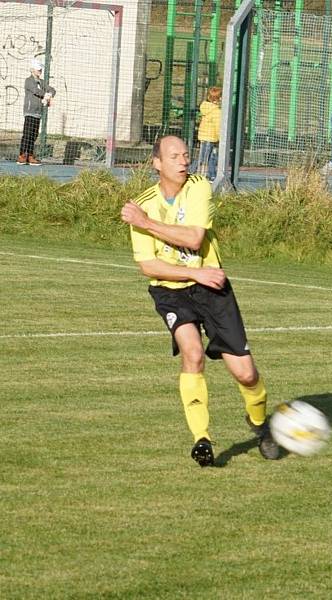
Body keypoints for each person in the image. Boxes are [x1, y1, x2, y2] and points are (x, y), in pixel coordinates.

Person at [120, 135, 278, 467]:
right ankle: (201, 439)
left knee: (246, 375)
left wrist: (146, 223)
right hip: (171, 291)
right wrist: (194, 274)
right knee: (192, 353)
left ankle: (261, 425)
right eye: (174, 156)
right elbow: (148, 266)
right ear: (157, 163)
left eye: (186, 155)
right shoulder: (143, 203)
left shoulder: (199, 187)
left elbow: (194, 237)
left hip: (213, 288)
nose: (183, 161)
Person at [18, 59, 55, 166]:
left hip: (38, 112)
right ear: (32, 70)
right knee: (27, 134)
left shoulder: (42, 82)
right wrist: (46, 95)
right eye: (38, 69)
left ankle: (30, 155)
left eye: (41, 70)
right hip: (30, 111)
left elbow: (52, 89)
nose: (40, 71)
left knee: (34, 135)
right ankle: (22, 155)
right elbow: (35, 90)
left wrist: (49, 95)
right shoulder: (28, 81)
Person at [194, 86, 222, 181]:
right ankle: (195, 172)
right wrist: (221, 138)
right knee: (206, 157)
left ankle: (211, 174)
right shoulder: (216, 111)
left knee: (208, 156)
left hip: (203, 136)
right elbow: (218, 126)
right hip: (211, 137)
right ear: (219, 98)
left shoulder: (205, 107)